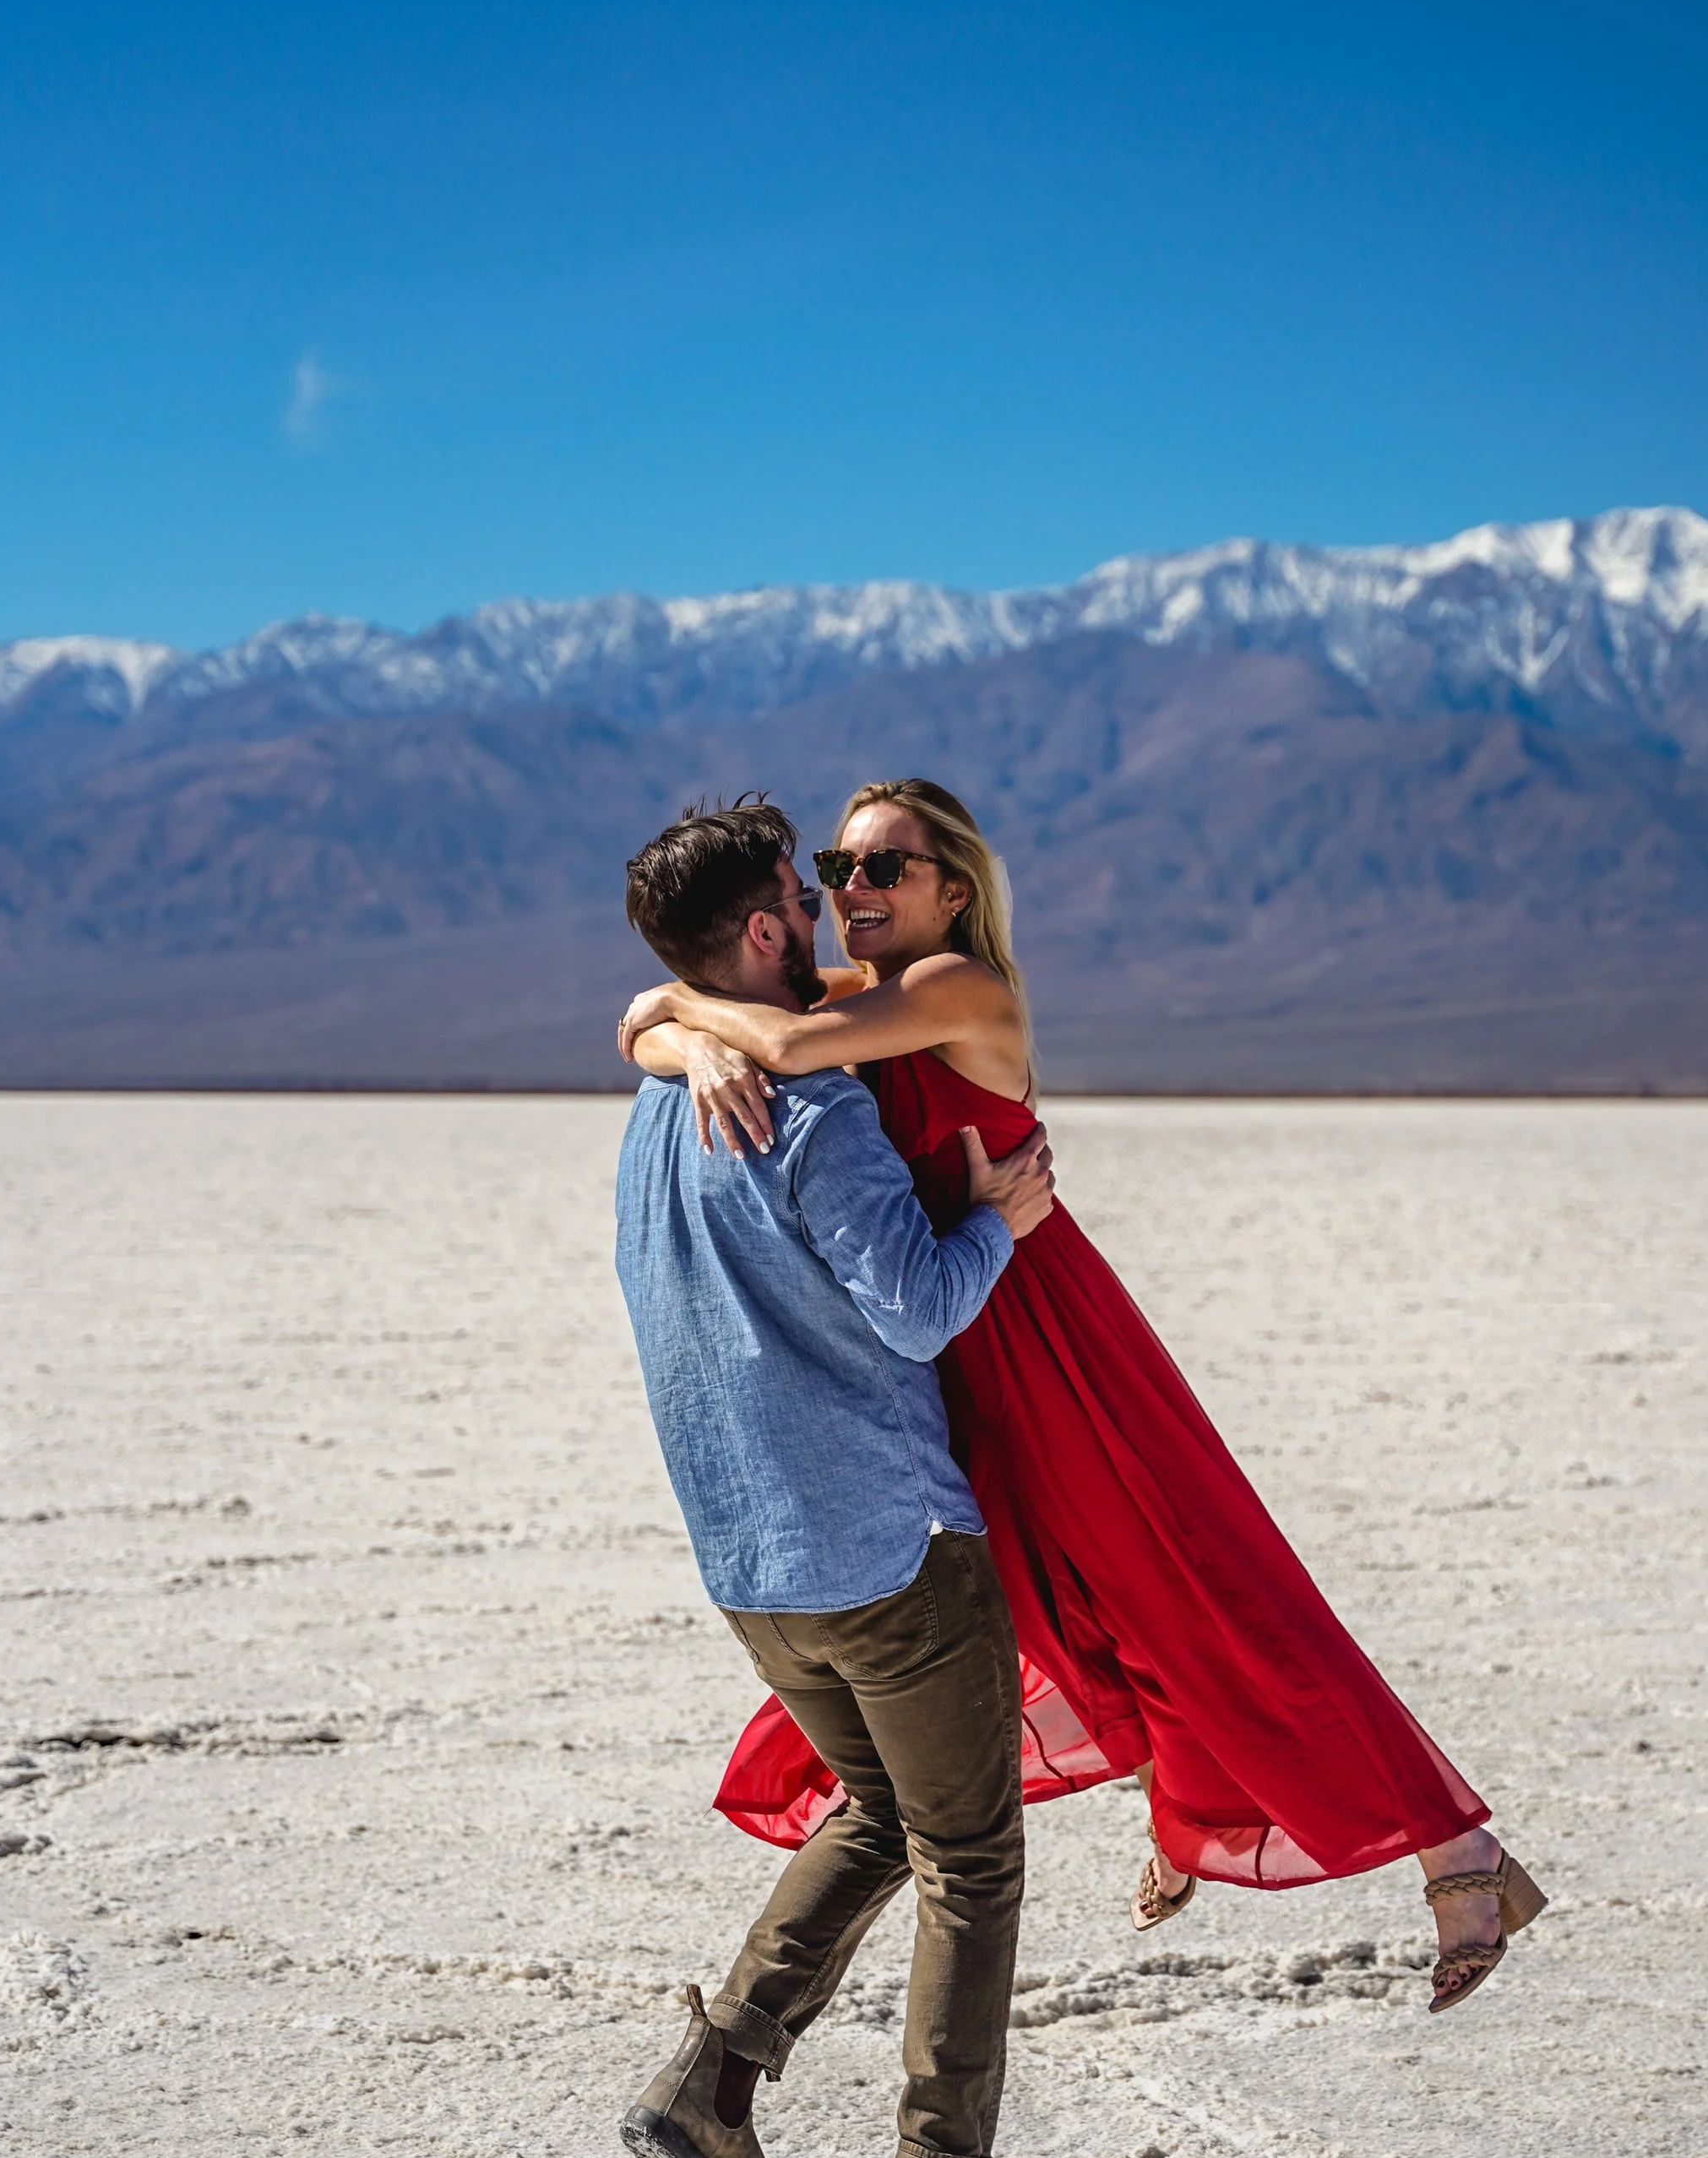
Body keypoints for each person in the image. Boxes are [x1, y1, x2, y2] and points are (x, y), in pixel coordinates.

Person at [621, 777, 1546, 2014]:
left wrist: (688, 1016)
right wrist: (681, 1028)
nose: (854, 892)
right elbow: (648, 1019)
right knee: (1050, 1607)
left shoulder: (957, 990)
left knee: (1202, 1584)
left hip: (1043, 1332)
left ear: (956, 888)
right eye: (838, 871)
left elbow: (757, 1036)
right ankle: (1190, 1798)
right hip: (951, 1339)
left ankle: (1460, 1852)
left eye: (885, 868)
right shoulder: (855, 999)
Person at [612, 795, 1068, 2158]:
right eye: (807, 898)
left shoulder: (656, 1112)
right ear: (760, 931)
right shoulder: (813, 1104)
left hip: (752, 1569)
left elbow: (652, 1030)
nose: (828, 913)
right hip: (889, 1551)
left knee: (883, 1809)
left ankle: (717, 2081)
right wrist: (999, 1218)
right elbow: (923, 1305)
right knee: (975, 1857)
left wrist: (676, 1025)